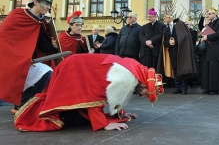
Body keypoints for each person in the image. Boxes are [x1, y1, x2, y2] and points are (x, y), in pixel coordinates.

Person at [14, 54, 164, 132]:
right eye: (146, 92)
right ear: (144, 83)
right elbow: (93, 94)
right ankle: (34, 113)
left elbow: (114, 93)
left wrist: (120, 112)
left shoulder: (135, 71)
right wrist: (103, 124)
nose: (144, 95)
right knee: (75, 118)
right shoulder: (126, 78)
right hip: (74, 69)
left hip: (75, 65)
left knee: (80, 115)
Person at [0, 0, 59, 111]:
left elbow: (42, 45)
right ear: (36, 2)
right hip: (12, 61)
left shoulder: (41, 23)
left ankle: (22, 104)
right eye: (45, 3)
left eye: (49, 4)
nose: (48, 7)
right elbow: (4, 37)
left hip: (29, 63)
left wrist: (52, 47)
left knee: (47, 73)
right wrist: (17, 56)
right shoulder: (17, 15)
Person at [157, 14, 199, 95]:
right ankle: (178, 87)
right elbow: (164, 41)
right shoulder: (167, 29)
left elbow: (185, 36)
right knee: (175, 69)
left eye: (165, 18)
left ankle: (184, 88)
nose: (164, 19)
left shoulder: (180, 25)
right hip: (172, 51)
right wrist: (169, 42)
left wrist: (175, 41)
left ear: (169, 18)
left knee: (182, 69)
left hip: (182, 51)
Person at [200, 7, 219, 95]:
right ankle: (208, 87)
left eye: (210, 14)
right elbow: (201, 29)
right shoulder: (210, 24)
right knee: (208, 70)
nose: (208, 15)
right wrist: (202, 17)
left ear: (214, 14)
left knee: (215, 70)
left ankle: (215, 89)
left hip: (216, 51)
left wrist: (207, 37)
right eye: (208, 14)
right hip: (209, 50)